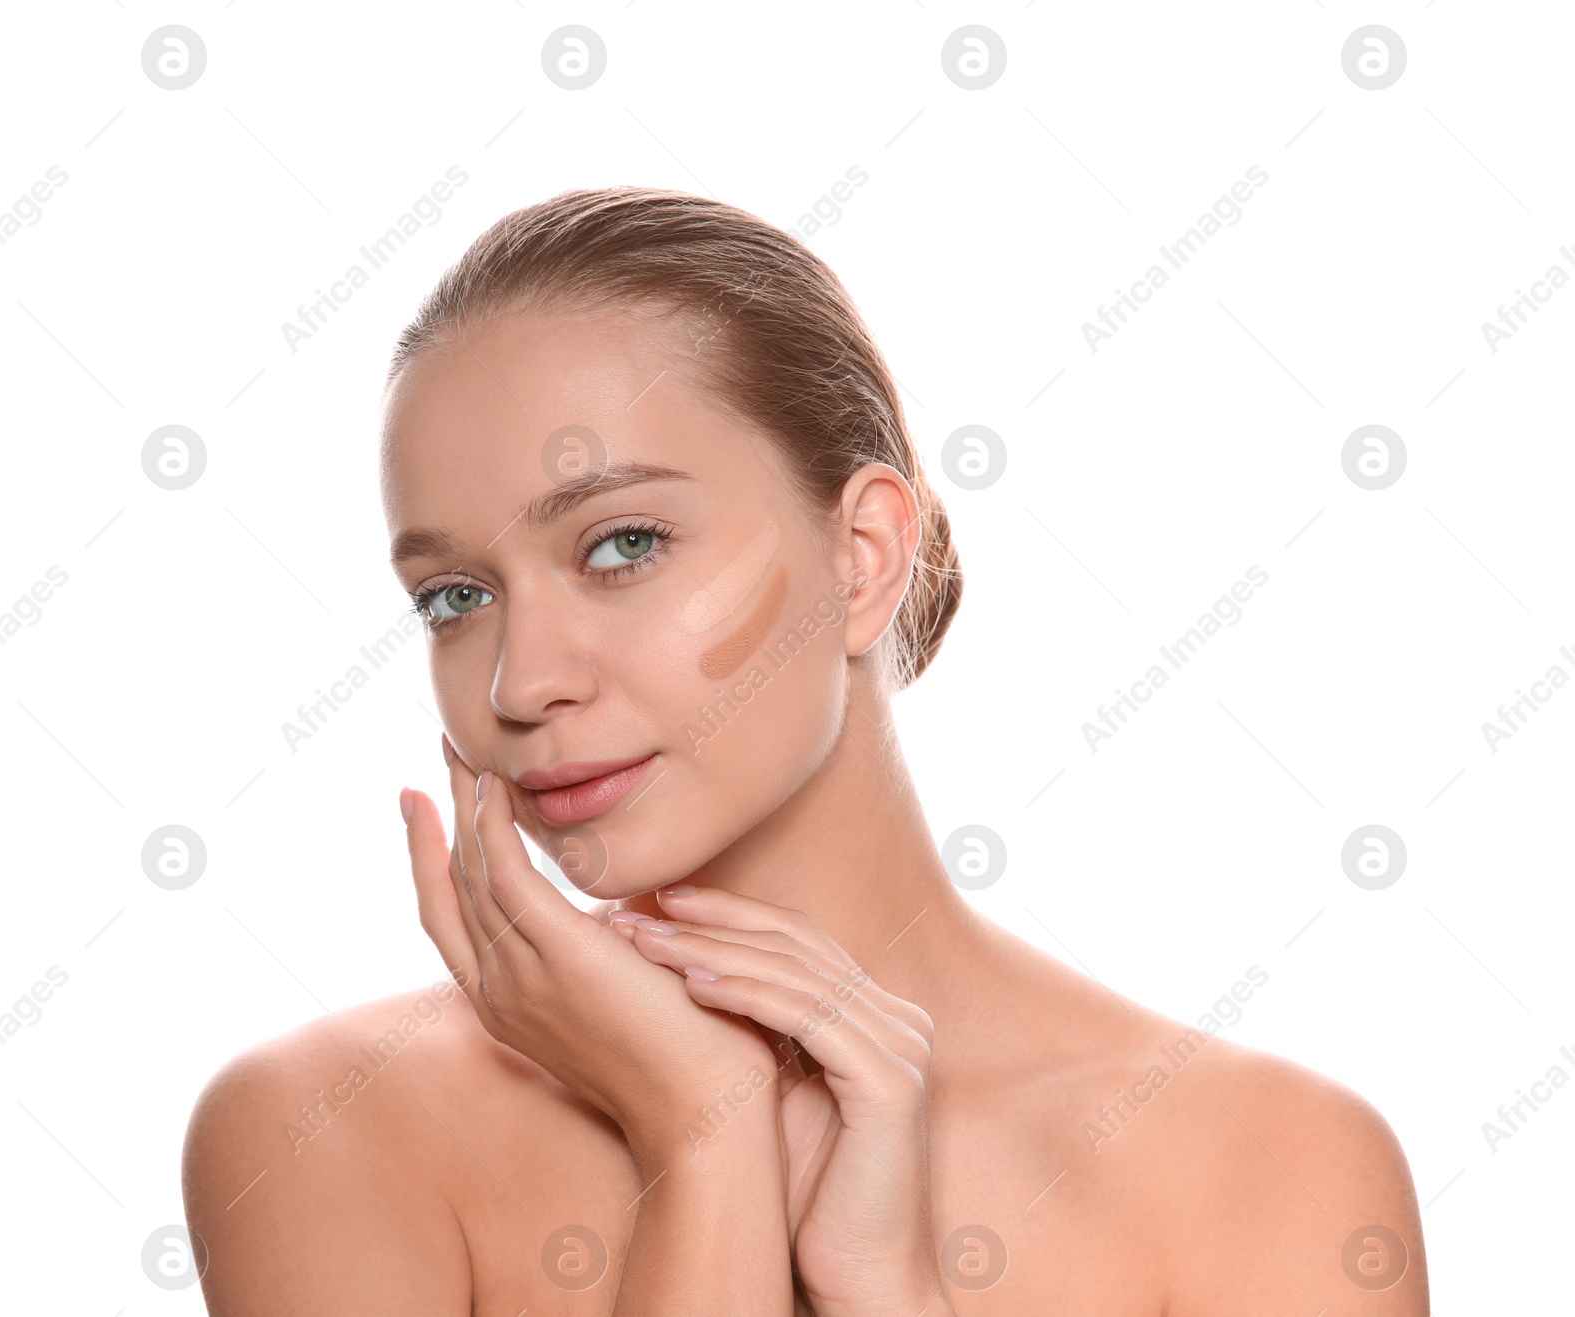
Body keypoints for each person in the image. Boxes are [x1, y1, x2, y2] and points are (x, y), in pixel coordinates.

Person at [182, 186, 1429, 1314]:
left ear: (864, 555)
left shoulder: (1267, 1167)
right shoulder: (323, 1131)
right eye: (455, 596)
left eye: (622, 545)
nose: (521, 682)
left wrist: (888, 1297)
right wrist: (702, 1142)